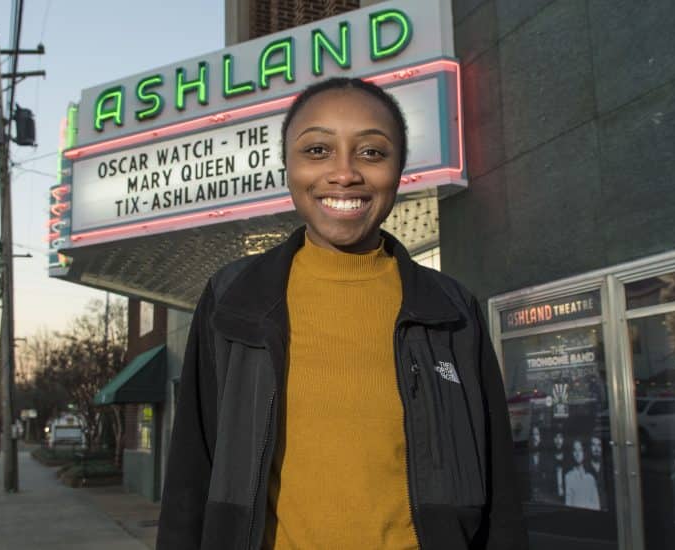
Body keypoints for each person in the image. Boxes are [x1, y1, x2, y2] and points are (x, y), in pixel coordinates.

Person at [156, 77, 525, 550]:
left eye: (372, 152)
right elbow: (191, 476)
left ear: (399, 169)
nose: (344, 173)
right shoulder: (233, 299)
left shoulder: (451, 310)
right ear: (287, 166)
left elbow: (501, 496)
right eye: (317, 151)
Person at [564, 439, 599, 510]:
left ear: (584, 453)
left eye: (580, 450)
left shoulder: (590, 478)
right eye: (575, 450)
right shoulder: (568, 477)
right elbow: (568, 503)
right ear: (571, 453)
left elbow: (596, 505)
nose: (577, 454)